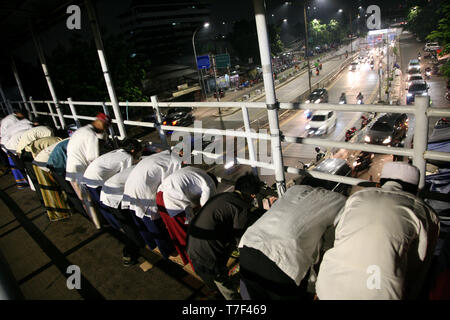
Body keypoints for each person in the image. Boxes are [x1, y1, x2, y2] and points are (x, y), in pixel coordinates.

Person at [315, 162, 440, 300]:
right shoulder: (425, 213)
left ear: (381, 182)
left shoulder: (357, 197)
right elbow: (418, 267)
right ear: (415, 189)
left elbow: (338, 235)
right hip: (379, 292)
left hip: (328, 286)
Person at [238, 183, 347, 300]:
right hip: (284, 258)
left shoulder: (296, 189)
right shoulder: (342, 203)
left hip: (249, 244)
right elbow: (331, 247)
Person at [186, 173, 263, 300]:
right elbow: (240, 241)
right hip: (209, 257)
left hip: (192, 246)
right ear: (253, 195)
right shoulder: (241, 207)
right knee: (225, 288)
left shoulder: (223, 196)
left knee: (213, 280)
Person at [122, 150, 182, 259]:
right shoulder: (174, 162)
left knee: (141, 222)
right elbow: (168, 184)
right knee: (155, 225)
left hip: (131, 189)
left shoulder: (159, 155)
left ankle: (151, 245)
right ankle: (167, 251)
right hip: (144, 194)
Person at [157, 166, 218, 267]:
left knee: (176, 232)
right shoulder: (210, 185)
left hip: (162, 196)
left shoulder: (198, 173)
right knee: (185, 235)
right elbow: (206, 210)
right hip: (172, 202)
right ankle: (198, 264)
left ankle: (190, 261)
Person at [83, 139, 143, 231]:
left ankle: (114, 225)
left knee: (102, 205)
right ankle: (119, 226)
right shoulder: (127, 157)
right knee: (106, 204)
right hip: (97, 180)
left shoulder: (119, 151)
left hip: (89, 176)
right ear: (133, 151)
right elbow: (125, 173)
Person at [65, 113, 111, 228]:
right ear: (101, 123)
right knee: (89, 199)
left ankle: (96, 222)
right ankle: (99, 225)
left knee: (85, 200)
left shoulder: (82, 130)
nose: (105, 129)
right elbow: (93, 158)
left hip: (72, 168)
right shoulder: (91, 135)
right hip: (80, 171)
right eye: (106, 127)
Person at [100, 165, 147, 266]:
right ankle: (133, 249)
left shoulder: (137, 168)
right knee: (129, 225)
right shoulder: (142, 172)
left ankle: (133, 247)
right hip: (114, 196)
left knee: (126, 223)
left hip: (108, 193)